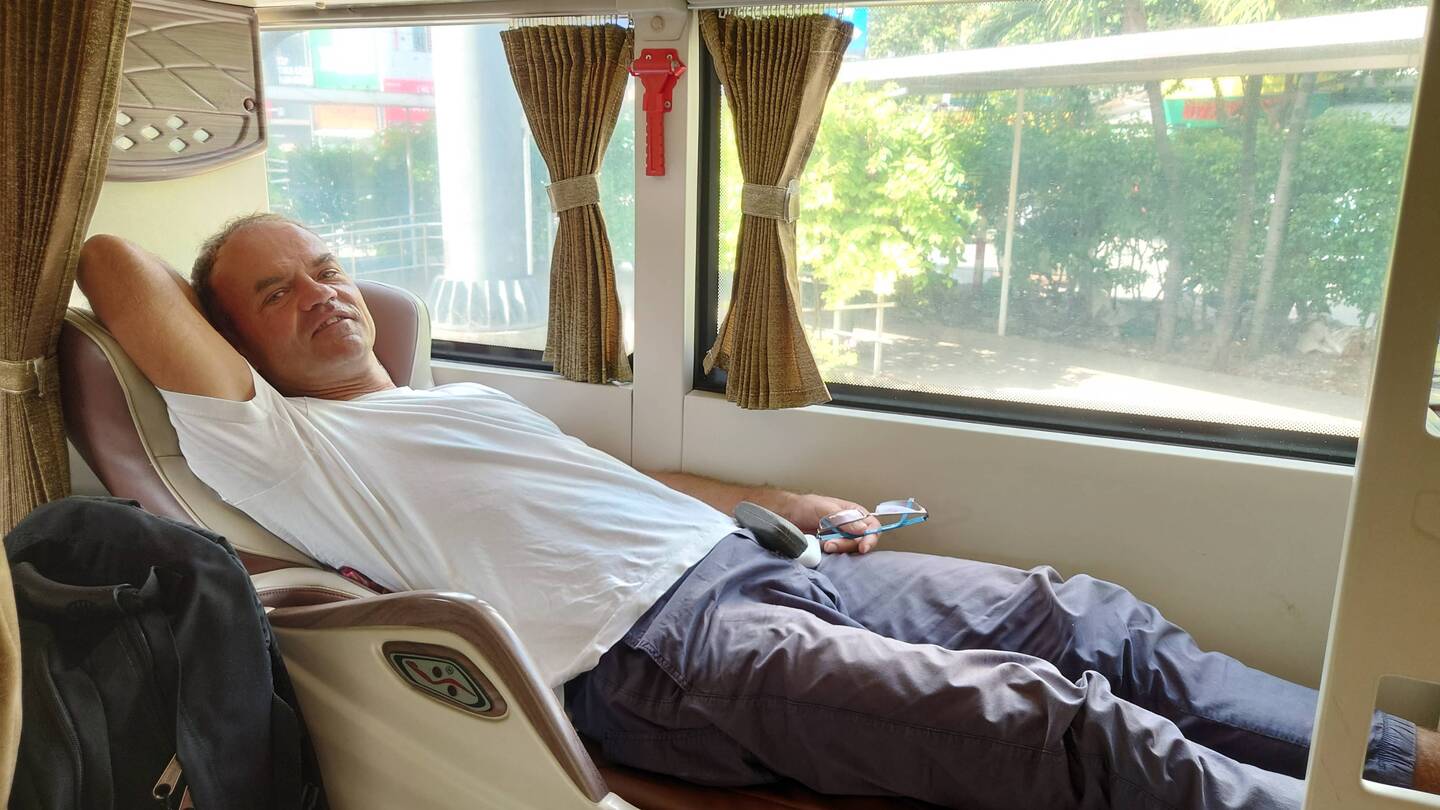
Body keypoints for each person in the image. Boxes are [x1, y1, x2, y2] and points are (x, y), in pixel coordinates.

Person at [75, 215, 1433, 810]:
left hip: (747, 563)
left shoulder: (460, 401)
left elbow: (629, 488)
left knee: (1092, 620)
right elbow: (109, 262)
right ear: (229, 343)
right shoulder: (282, 445)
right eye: (274, 292)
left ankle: (1403, 757)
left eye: (325, 266)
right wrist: (212, 319)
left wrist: (772, 501)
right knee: (1051, 721)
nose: (321, 294)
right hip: (658, 655)